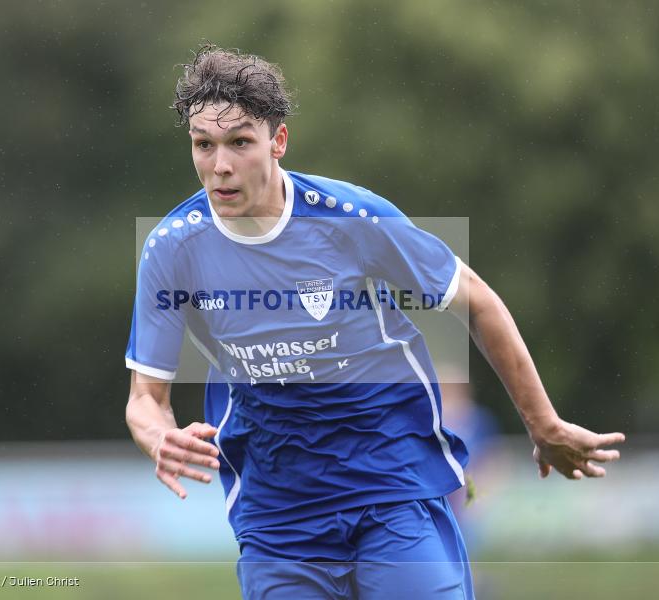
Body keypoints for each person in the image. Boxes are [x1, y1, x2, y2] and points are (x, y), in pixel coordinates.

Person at [124, 45, 625, 600]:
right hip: (278, 511)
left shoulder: (352, 220)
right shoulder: (173, 248)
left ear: (278, 141)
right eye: (204, 145)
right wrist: (159, 438)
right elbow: (146, 396)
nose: (220, 165)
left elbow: (477, 300)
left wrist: (544, 425)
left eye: (240, 142)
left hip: (391, 482)